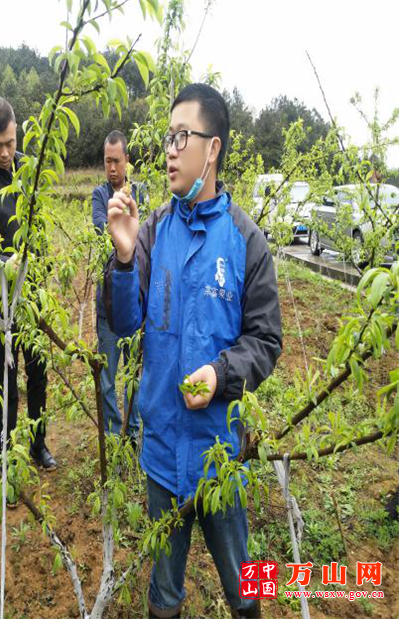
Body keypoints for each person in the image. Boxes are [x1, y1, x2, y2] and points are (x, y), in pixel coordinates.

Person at [103, 84, 282, 619]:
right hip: (160, 451)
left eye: (183, 137)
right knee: (164, 592)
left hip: (219, 453)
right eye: (167, 137)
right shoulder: (154, 229)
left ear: (214, 148)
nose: (170, 150)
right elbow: (126, 322)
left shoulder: (246, 240)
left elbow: (266, 339)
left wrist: (223, 373)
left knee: (245, 586)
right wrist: (125, 257)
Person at [0, 97, 56, 471]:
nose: (5, 153)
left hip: (33, 295)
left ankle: (38, 444)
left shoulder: (28, 172)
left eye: (10, 143)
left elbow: (40, 229)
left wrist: (43, 265)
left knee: (38, 371)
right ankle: (5, 454)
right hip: (4, 301)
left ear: (16, 130)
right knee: (6, 376)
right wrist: (3, 264)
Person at [93, 130, 145, 440]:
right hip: (107, 305)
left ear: (127, 160)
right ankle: (114, 435)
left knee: (134, 374)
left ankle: (134, 432)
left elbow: (147, 235)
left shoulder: (141, 192)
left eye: (116, 161)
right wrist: (122, 228)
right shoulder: (99, 195)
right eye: (106, 161)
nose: (111, 168)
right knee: (110, 377)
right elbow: (103, 228)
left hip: (136, 301)